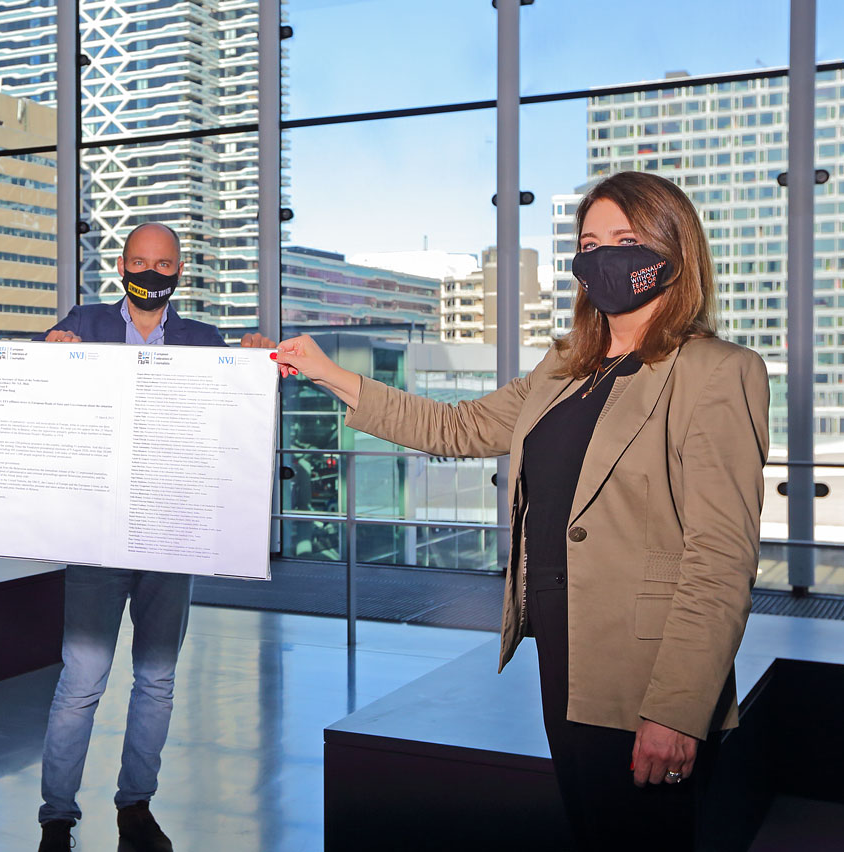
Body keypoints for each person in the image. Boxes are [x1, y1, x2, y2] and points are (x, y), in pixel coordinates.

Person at [275, 171, 769, 852]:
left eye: (626, 239)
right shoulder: (565, 367)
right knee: (591, 831)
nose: (603, 256)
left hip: (647, 673)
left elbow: (721, 557)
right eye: (589, 241)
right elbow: (456, 427)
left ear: (673, 250)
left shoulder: (717, 371)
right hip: (565, 653)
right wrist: (328, 372)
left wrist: (678, 710)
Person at [37, 222, 274, 852]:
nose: (151, 273)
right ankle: (56, 817)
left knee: (157, 678)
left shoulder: (205, 341)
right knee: (81, 677)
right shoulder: (82, 324)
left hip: (173, 532)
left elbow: (234, 423)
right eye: (139, 261)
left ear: (180, 270)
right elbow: (33, 400)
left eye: (163, 264)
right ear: (121, 264)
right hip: (97, 534)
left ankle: (135, 808)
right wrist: (46, 351)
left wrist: (259, 369)